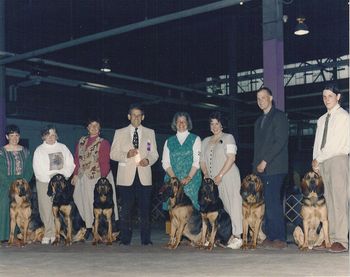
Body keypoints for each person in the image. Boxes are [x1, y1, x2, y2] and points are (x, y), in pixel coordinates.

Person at [110, 104, 158, 245]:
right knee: (126, 210)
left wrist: (148, 160)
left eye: (139, 115)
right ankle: (125, 239)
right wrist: (126, 154)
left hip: (144, 176)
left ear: (143, 117)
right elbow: (113, 154)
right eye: (133, 115)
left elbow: (154, 153)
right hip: (126, 178)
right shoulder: (119, 132)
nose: (136, 118)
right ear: (128, 116)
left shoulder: (150, 132)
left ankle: (146, 240)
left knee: (145, 210)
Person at [312, 84, 349, 253]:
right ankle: (331, 238)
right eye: (324, 97)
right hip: (323, 162)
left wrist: (319, 158)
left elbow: (335, 144)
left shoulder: (343, 117)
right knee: (329, 201)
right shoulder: (321, 119)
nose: (327, 99)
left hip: (338, 160)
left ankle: (341, 240)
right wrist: (315, 162)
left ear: (338, 97)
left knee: (340, 201)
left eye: (330, 96)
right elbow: (318, 144)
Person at [200, 112, 242, 249]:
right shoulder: (205, 141)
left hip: (228, 176)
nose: (214, 126)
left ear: (222, 124)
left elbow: (231, 158)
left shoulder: (228, 137)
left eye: (217, 123)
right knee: (218, 210)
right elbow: (202, 161)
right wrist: (206, 174)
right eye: (212, 123)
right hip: (213, 182)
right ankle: (220, 237)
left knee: (232, 205)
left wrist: (220, 175)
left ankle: (237, 236)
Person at [253, 87, 289, 249]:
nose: (261, 101)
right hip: (261, 169)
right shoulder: (258, 121)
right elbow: (258, 148)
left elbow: (280, 142)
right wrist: (255, 169)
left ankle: (280, 237)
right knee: (267, 201)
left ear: (271, 98)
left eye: (263, 97)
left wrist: (265, 161)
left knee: (273, 201)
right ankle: (271, 235)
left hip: (275, 167)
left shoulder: (279, 116)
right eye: (258, 98)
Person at [72, 119, 119, 240]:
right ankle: (90, 227)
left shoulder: (103, 143)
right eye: (91, 125)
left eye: (96, 125)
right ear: (87, 127)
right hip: (83, 177)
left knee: (100, 205)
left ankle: (106, 231)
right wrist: (75, 174)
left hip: (99, 177)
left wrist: (103, 181)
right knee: (79, 199)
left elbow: (105, 162)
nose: (93, 127)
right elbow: (77, 160)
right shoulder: (81, 141)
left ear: (100, 128)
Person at [33, 125, 75, 244]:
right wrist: (50, 180)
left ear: (56, 135)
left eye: (53, 134)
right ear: (43, 136)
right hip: (45, 181)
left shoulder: (63, 147)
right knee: (46, 208)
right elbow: (37, 169)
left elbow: (70, 164)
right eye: (48, 134)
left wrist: (63, 177)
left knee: (62, 209)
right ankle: (49, 233)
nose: (51, 137)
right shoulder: (39, 150)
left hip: (61, 181)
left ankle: (61, 233)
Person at [162, 112, 201, 210]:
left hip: (191, 181)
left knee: (192, 214)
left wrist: (188, 177)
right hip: (173, 180)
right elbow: (165, 162)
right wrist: (174, 178)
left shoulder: (195, 139)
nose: (181, 123)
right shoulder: (168, 141)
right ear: (175, 123)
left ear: (188, 123)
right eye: (178, 121)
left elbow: (197, 161)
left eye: (184, 121)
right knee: (173, 213)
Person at [0, 125, 33, 242]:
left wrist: (23, 184)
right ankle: (4, 236)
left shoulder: (26, 151)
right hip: (5, 184)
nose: (14, 138)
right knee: (4, 204)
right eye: (12, 135)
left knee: (24, 208)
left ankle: (21, 234)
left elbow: (29, 169)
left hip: (22, 184)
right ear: (7, 137)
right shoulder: (2, 152)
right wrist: (12, 186)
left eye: (17, 135)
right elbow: (1, 171)